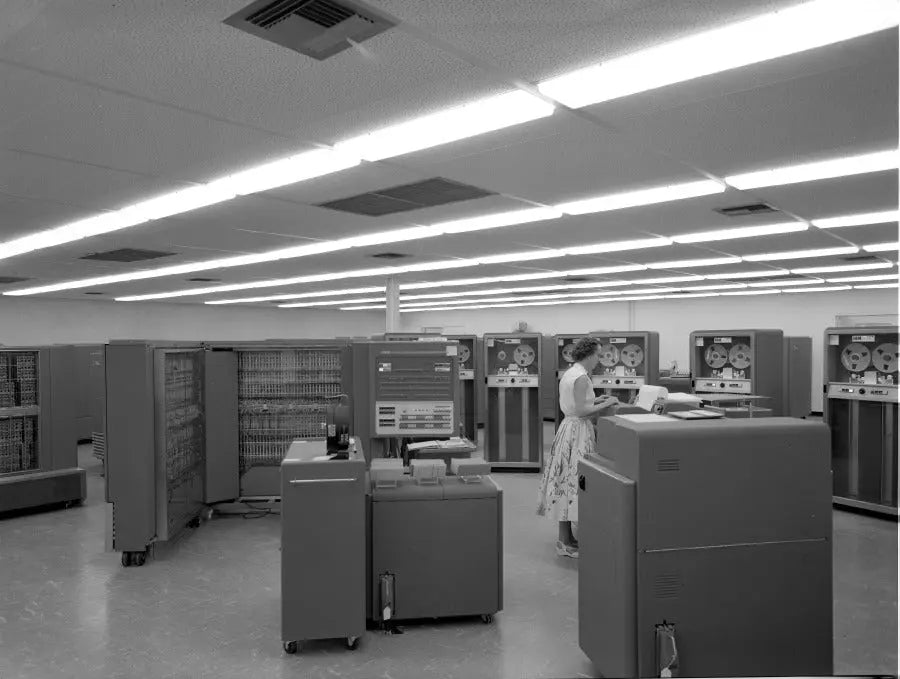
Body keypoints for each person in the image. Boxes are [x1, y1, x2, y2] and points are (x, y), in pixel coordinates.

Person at [536, 336, 619, 558]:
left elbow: (576, 405)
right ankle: (564, 542)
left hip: (567, 429)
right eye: (598, 356)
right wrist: (608, 403)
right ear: (590, 355)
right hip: (578, 432)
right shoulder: (582, 376)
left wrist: (597, 400)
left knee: (563, 482)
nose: (599, 360)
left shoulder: (570, 373)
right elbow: (582, 411)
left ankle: (567, 539)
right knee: (573, 483)